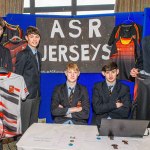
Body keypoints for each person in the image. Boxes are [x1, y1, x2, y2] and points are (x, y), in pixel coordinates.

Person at [15, 26, 41, 133]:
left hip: (36, 95)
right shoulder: (23, 54)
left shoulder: (38, 55)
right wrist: (21, 95)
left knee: (33, 126)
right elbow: (18, 76)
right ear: (26, 38)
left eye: (37, 37)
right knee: (24, 126)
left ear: (39, 39)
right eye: (32, 37)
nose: (34, 39)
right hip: (26, 96)